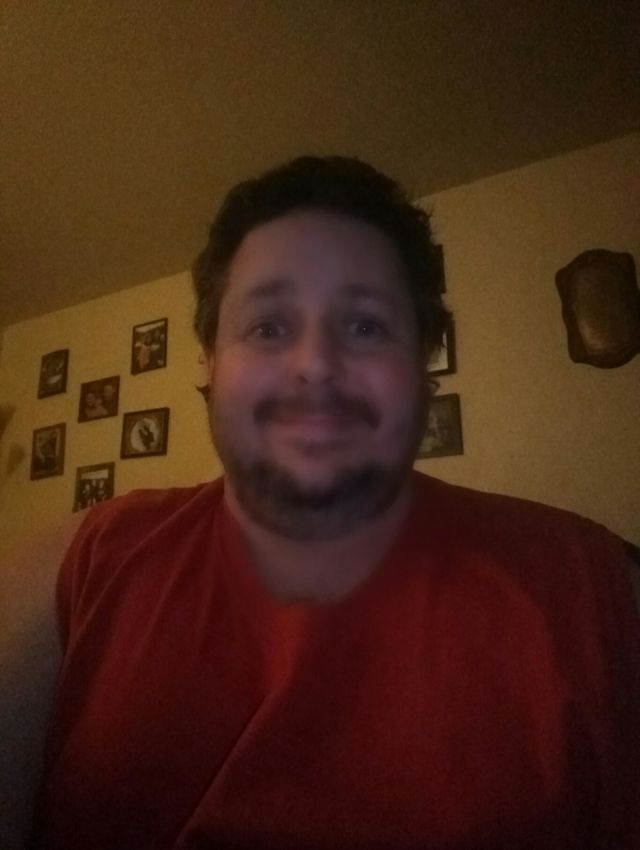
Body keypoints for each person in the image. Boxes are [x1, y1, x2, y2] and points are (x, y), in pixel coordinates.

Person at [2, 157, 639, 850]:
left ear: (421, 361)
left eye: (365, 325)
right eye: (267, 326)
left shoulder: (591, 582)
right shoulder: (84, 559)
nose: (315, 366)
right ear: (210, 361)